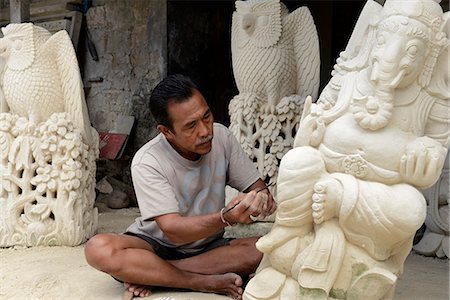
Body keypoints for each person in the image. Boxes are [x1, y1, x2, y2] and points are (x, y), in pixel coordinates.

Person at [84, 74, 276, 299]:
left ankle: (153, 274)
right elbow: (173, 231)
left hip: (207, 247)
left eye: (206, 116)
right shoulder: (148, 160)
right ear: (166, 132)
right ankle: (200, 282)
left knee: (265, 248)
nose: (205, 131)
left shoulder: (222, 137)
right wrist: (226, 217)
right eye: (191, 126)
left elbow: (259, 189)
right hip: (154, 244)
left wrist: (260, 200)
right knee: (98, 249)